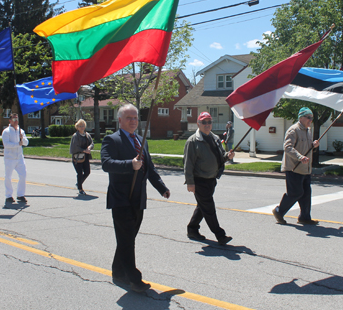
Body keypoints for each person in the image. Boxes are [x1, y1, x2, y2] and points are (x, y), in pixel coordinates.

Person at [101, 104, 170, 293]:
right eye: (129, 118)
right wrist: (129, 165)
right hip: (121, 199)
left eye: (135, 117)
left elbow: (149, 167)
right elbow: (106, 164)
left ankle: (118, 272)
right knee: (126, 240)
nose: (133, 121)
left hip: (138, 199)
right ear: (120, 120)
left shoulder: (141, 140)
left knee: (127, 238)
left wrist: (161, 187)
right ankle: (134, 279)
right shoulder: (111, 140)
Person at [184, 111, 234, 245]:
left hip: (212, 179)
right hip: (200, 180)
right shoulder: (193, 141)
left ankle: (192, 229)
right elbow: (188, 164)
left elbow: (220, 157)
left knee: (203, 206)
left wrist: (227, 156)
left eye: (209, 122)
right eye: (204, 122)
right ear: (198, 124)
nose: (207, 125)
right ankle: (220, 235)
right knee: (209, 208)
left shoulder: (215, 138)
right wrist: (190, 183)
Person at [272, 107, 320, 226]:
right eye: (309, 117)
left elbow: (306, 147)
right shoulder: (293, 130)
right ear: (301, 117)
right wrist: (300, 157)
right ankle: (279, 211)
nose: (311, 120)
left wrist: (313, 145)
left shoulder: (308, 131)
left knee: (306, 193)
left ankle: (305, 217)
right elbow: (287, 148)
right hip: (294, 167)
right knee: (296, 192)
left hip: (305, 169)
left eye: (312, 118)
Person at [2, 113, 29, 204]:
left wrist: (22, 139)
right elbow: (6, 145)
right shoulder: (6, 131)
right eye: (14, 119)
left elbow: (26, 142)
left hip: (19, 158)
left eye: (16, 119)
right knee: (8, 177)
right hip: (10, 158)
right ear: (10, 121)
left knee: (23, 175)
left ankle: (20, 194)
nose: (16, 121)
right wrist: (18, 144)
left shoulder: (21, 131)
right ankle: (8, 195)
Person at [69, 119, 94, 195]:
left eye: (83, 126)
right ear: (77, 127)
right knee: (79, 173)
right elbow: (75, 147)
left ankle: (79, 183)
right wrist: (84, 150)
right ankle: (80, 189)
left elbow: (92, 143)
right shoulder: (75, 136)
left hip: (85, 157)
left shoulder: (87, 135)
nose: (82, 127)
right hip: (77, 158)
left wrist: (89, 148)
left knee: (87, 172)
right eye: (80, 126)